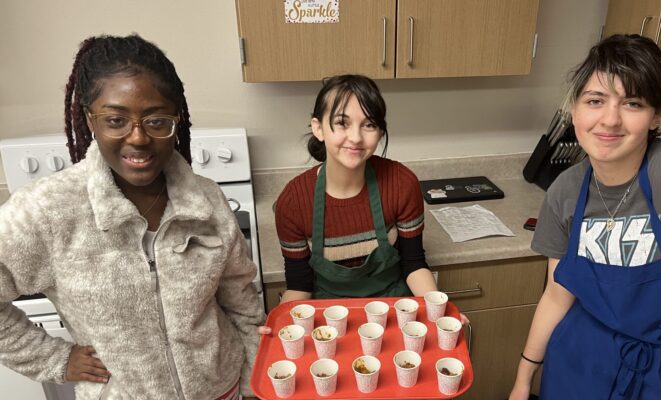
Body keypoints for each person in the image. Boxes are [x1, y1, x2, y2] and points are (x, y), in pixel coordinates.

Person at [0, 34, 264, 399]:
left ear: (177, 120)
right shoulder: (47, 210)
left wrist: (254, 380)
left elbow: (242, 301)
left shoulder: (206, 201)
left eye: (156, 121)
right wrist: (56, 358)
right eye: (116, 120)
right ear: (90, 120)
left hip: (223, 389)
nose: (138, 138)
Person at [509, 34, 661, 399]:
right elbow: (557, 293)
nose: (609, 120)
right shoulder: (566, 190)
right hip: (577, 360)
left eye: (632, 103)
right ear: (575, 110)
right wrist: (523, 378)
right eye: (595, 101)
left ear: (656, 115)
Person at [274, 74, 439, 302]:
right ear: (318, 128)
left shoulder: (401, 184)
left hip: (393, 308)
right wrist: (280, 325)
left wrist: (440, 310)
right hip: (327, 319)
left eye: (369, 124)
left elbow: (414, 264)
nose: (356, 137)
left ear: (380, 132)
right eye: (342, 122)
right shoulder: (293, 202)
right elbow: (299, 284)